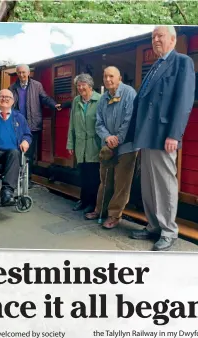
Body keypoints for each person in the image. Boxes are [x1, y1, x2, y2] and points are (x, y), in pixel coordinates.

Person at [126, 25, 195, 251]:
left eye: (160, 36)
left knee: (164, 184)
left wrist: (174, 134)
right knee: (148, 184)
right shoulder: (155, 65)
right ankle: (153, 226)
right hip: (147, 135)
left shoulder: (182, 62)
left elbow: (184, 101)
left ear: (173, 40)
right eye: (153, 36)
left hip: (164, 134)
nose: (155, 39)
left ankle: (168, 231)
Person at [84, 66, 137, 230]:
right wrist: (107, 137)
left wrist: (118, 139)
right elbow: (98, 123)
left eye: (111, 76)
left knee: (121, 184)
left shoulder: (129, 93)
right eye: (105, 76)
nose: (108, 79)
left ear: (119, 78)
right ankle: (99, 210)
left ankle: (114, 216)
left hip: (127, 147)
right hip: (107, 146)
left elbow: (130, 121)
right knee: (105, 181)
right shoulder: (103, 98)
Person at [9, 64, 61, 175]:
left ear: (29, 73)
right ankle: (15, 176)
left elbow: (44, 98)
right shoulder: (12, 88)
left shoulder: (37, 85)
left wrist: (54, 105)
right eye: (19, 73)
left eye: (23, 72)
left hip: (32, 125)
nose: (21, 75)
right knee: (15, 152)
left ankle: (27, 180)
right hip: (16, 126)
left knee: (29, 154)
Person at [66, 73, 102, 214]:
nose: (80, 88)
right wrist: (70, 144)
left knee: (93, 176)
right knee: (83, 174)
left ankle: (92, 203)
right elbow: (72, 124)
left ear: (90, 86)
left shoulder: (100, 100)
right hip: (80, 144)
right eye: (78, 85)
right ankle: (84, 200)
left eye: (83, 85)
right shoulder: (76, 101)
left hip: (95, 144)